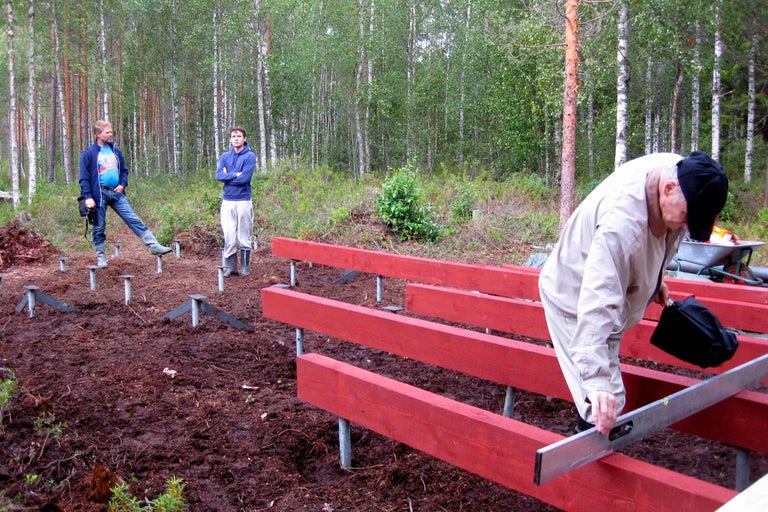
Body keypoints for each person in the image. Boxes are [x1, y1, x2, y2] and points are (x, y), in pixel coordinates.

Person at [538, 152, 728, 435]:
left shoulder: (677, 171)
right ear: (668, 189)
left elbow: (655, 241)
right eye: (687, 217)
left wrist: (654, 280)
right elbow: (597, 302)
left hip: (611, 287)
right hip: (572, 294)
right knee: (600, 403)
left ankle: (598, 419)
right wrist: (597, 383)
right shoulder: (621, 227)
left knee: (608, 388)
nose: (687, 226)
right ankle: (589, 437)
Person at [79, 120, 171, 268]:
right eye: (107, 132)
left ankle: (153, 245)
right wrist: (88, 197)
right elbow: (84, 178)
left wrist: (122, 185)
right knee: (99, 226)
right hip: (99, 194)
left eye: (111, 132)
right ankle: (101, 256)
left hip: (116, 192)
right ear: (98, 134)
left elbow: (124, 171)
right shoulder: (88, 153)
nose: (111, 134)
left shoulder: (115, 151)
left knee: (133, 219)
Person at [216, 126, 257, 276]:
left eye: (239, 136)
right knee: (229, 236)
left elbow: (245, 178)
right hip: (227, 201)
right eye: (233, 136)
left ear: (244, 139)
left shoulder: (250, 156)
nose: (236, 139)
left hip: (243, 201)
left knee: (244, 236)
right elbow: (219, 176)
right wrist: (235, 175)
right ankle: (230, 268)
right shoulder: (225, 156)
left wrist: (228, 177)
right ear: (230, 139)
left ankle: (245, 269)